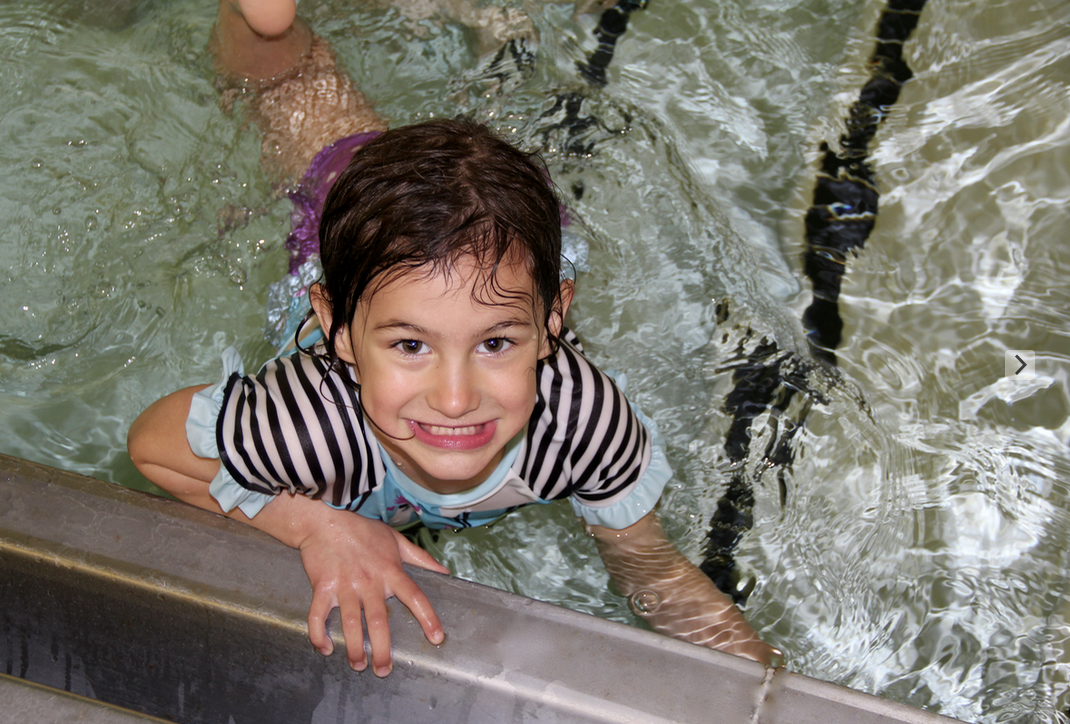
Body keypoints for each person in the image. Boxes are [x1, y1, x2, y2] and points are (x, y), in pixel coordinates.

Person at [127, 0, 781, 678]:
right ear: (339, 331)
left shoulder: (580, 422)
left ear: (554, 322)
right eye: (410, 348)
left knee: (501, 237)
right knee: (307, 110)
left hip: (480, 262)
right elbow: (156, 447)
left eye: (496, 345)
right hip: (350, 223)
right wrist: (317, 524)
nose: (455, 397)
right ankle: (259, 27)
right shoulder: (312, 420)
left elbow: (652, 570)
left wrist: (763, 688)